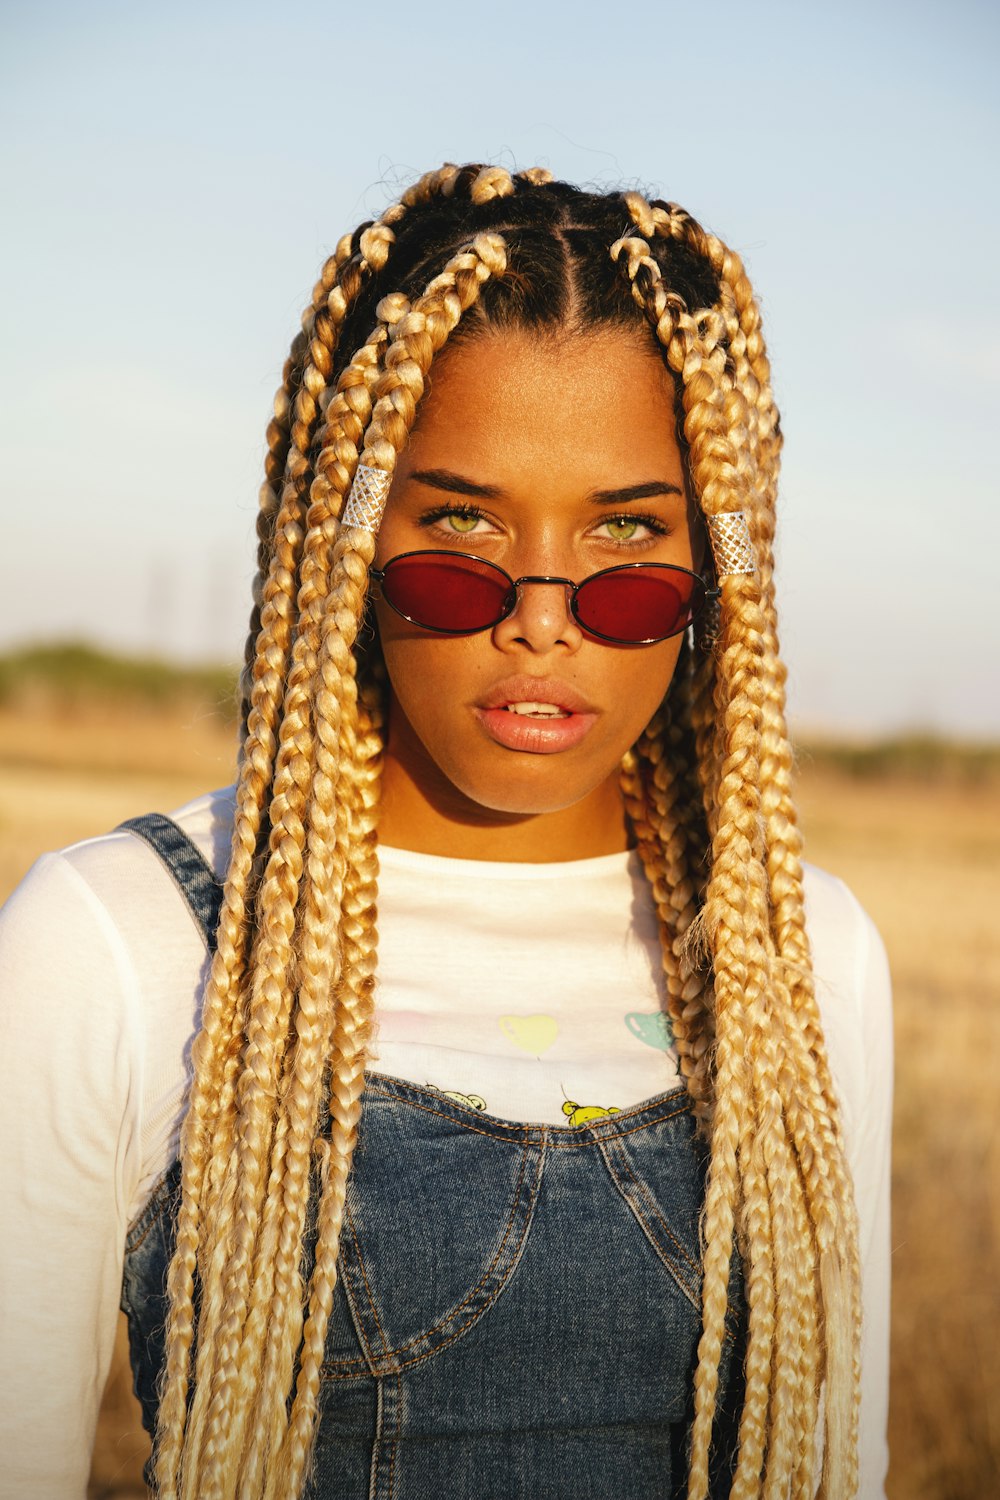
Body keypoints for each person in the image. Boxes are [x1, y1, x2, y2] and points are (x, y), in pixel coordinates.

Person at [0, 162, 892, 1499]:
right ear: (349, 541)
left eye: (628, 539)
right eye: (460, 530)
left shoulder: (800, 955)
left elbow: (839, 1455)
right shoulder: (119, 938)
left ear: (717, 573)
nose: (541, 617)